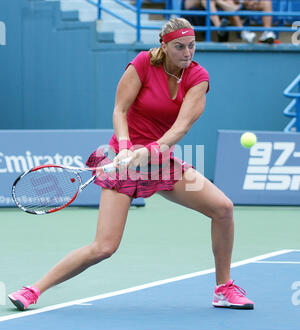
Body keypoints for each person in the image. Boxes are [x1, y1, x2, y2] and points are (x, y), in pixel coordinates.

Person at [8, 17, 254, 311]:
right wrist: (125, 147)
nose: (188, 53)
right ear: (164, 46)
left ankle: (223, 288)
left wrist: (147, 152)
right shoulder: (142, 64)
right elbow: (120, 109)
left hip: (159, 160)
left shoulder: (198, 77)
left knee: (223, 208)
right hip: (121, 161)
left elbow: (180, 128)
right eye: (179, 47)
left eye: (192, 46)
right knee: (104, 247)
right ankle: (33, 290)